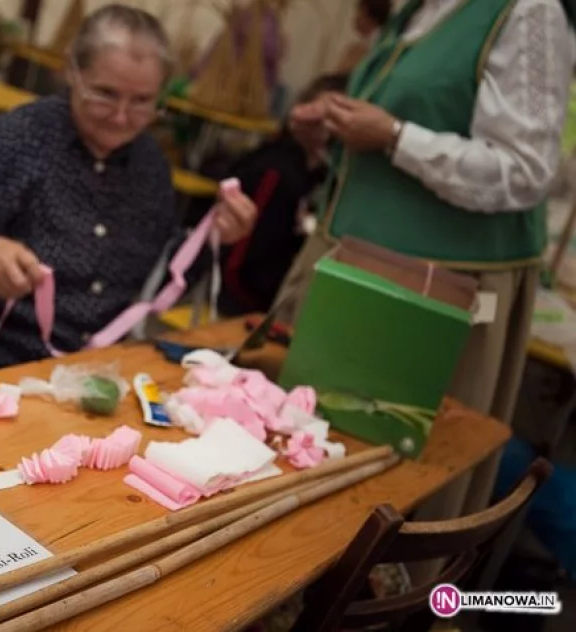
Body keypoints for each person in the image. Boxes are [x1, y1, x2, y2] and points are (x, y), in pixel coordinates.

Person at [277, 0, 576, 578]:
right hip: (362, 273)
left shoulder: (527, 12)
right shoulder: (420, 9)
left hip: (431, 297)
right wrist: (330, 134)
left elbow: (524, 170)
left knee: (390, 493)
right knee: (313, 465)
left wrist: (393, 136)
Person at [0, 4, 257, 377]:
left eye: (143, 101)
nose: (122, 117)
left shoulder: (151, 165)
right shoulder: (18, 141)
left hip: (96, 377)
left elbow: (152, 280)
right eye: (105, 94)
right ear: (72, 71)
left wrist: (213, 238)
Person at [193, 73, 349, 317]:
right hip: (244, 303)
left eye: (336, 120)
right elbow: (239, 256)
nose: (325, 128)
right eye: (319, 116)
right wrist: (252, 304)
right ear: (300, 111)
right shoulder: (275, 172)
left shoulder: (324, 175)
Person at [334, 0, 392, 75]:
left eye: (358, 11)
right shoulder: (382, 43)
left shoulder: (365, 50)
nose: (354, 18)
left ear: (365, 12)